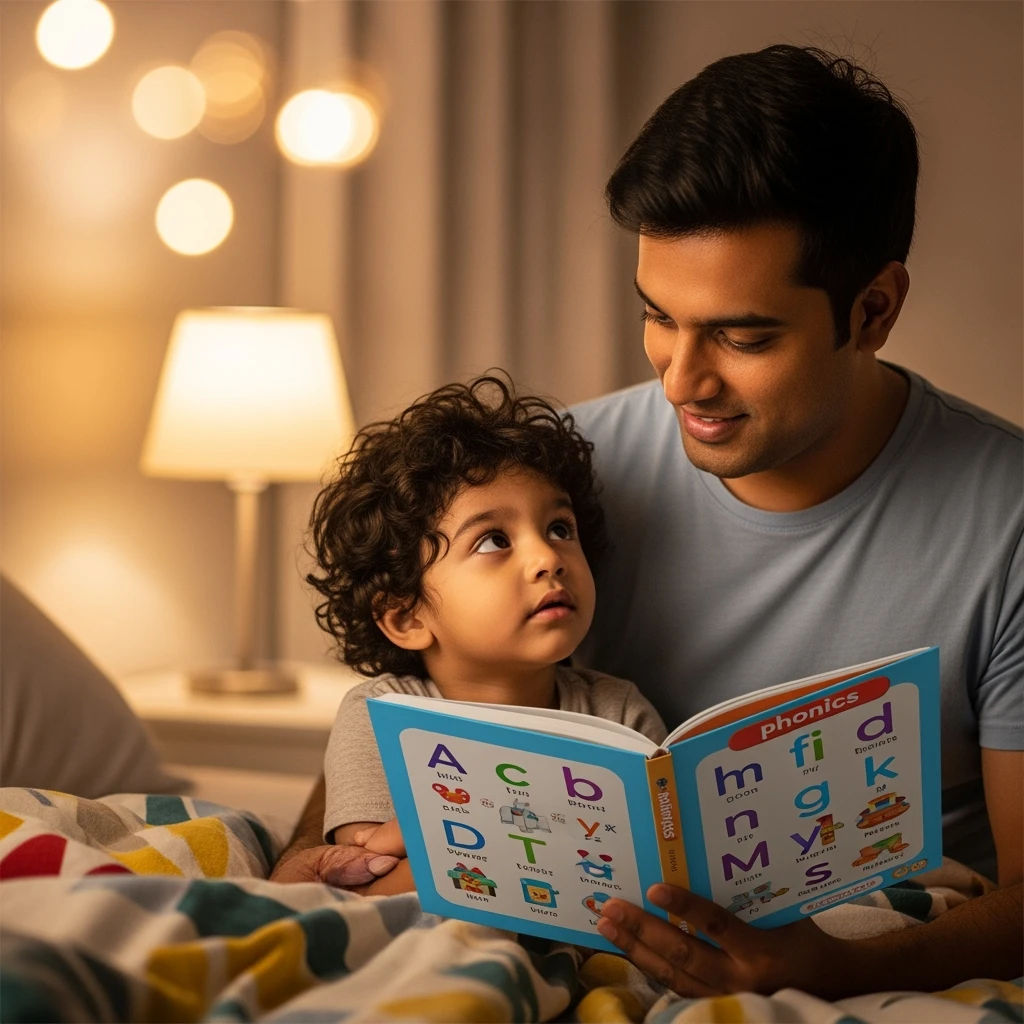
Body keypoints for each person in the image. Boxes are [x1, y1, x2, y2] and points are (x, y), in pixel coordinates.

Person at [272, 43, 1022, 996]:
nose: (682, 379)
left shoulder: (1009, 522)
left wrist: (837, 969)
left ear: (872, 310)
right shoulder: (560, 477)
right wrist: (313, 855)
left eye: (742, 336)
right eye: (659, 317)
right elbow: (401, 718)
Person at [296, 375, 666, 895]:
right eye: (494, 540)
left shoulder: (621, 714)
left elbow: (656, 870)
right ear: (407, 617)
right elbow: (373, 871)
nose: (547, 559)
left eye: (560, 528)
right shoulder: (381, 717)